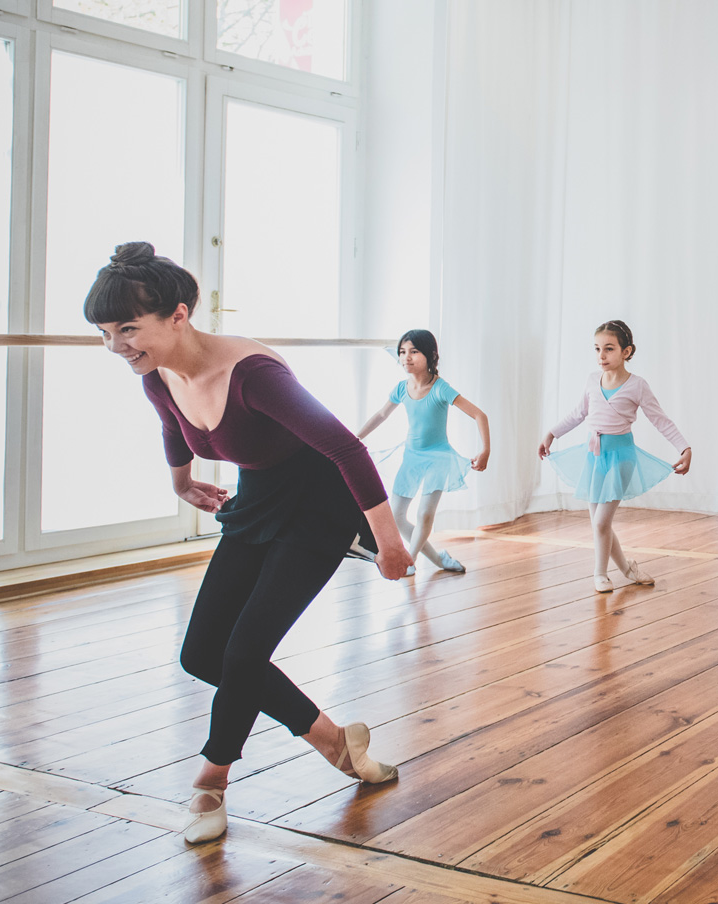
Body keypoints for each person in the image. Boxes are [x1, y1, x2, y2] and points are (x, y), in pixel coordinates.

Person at [85, 242, 411, 845]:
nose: (116, 346)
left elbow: (346, 449)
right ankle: (336, 741)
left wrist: (389, 544)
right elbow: (171, 426)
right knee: (203, 654)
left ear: (178, 315)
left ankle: (211, 783)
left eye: (128, 329)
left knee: (243, 651)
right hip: (258, 498)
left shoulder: (254, 375)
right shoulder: (155, 376)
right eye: (106, 333)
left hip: (318, 504)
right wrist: (182, 482)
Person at [539, 320, 691, 593]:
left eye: (609, 349)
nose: (601, 356)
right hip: (593, 456)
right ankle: (627, 569)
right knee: (600, 523)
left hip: (621, 457)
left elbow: (660, 420)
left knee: (600, 522)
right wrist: (552, 433)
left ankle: (599, 574)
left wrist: (684, 448)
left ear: (626, 351)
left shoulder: (637, 386)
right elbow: (578, 414)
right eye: (597, 349)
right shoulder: (591, 380)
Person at [356, 329, 490, 576]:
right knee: (396, 516)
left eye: (414, 352)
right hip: (412, 457)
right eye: (402, 352)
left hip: (439, 458)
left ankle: (411, 560)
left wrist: (485, 450)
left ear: (430, 355)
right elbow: (381, 415)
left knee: (425, 513)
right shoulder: (401, 388)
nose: (406, 358)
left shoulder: (441, 388)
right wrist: (356, 438)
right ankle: (438, 559)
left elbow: (479, 415)